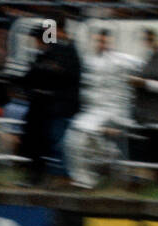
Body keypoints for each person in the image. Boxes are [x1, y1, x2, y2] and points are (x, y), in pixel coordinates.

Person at [63, 29, 140, 189]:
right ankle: (87, 178)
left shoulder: (121, 61)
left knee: (84, 134)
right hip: (93, 112)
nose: (100, 44)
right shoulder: (90, 62)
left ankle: (107, 157)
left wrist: (134, 80)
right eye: (98, 41)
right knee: (73, 140)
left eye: (103, 41)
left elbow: (139, 67)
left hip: (113, 111)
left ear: (110, 42)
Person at [17, 15, 81, 186]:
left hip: (58, 106)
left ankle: (63, 176)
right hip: (43, 106)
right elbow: (30, 78)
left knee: (55, 142)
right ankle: (36, 174)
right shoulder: (46, 55)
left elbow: (62, 76)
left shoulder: (66, 52)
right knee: (36, 140)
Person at [131, 28, 158, 185]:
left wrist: (142, 83)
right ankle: (156, 180)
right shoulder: (150, 59)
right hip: (147, 113)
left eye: (149, 39)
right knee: (152, 150)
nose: (147, 42)